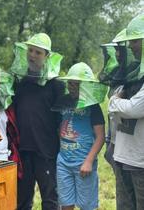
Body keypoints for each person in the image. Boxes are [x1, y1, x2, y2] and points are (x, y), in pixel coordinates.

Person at [10, 33, 65, 210]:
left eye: (38, 52)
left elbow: (61, 121)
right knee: (22, 199)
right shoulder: (20, 82)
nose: (32, 55)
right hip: (22, 150)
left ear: (47, 56)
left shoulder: (56, 85)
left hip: (46, 151)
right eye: (30, 51)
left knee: (49, 198)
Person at [53, 62, 106, 210]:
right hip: (63, 162)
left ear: (86, 85)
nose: (72, 87)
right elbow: (59, 128)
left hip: (84, 163)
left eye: (77, 84)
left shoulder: (92, 106)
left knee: (87, 205)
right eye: (70, 83)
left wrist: (89, 161)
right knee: (66, 203)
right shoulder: (63, 101)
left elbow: (100, 136)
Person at [108, 13, 144, 210]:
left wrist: (114, 102)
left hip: (141, 160)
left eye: (135, 41)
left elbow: (135, 108)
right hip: (123, 154)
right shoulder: (132, 73)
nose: (131, 47)